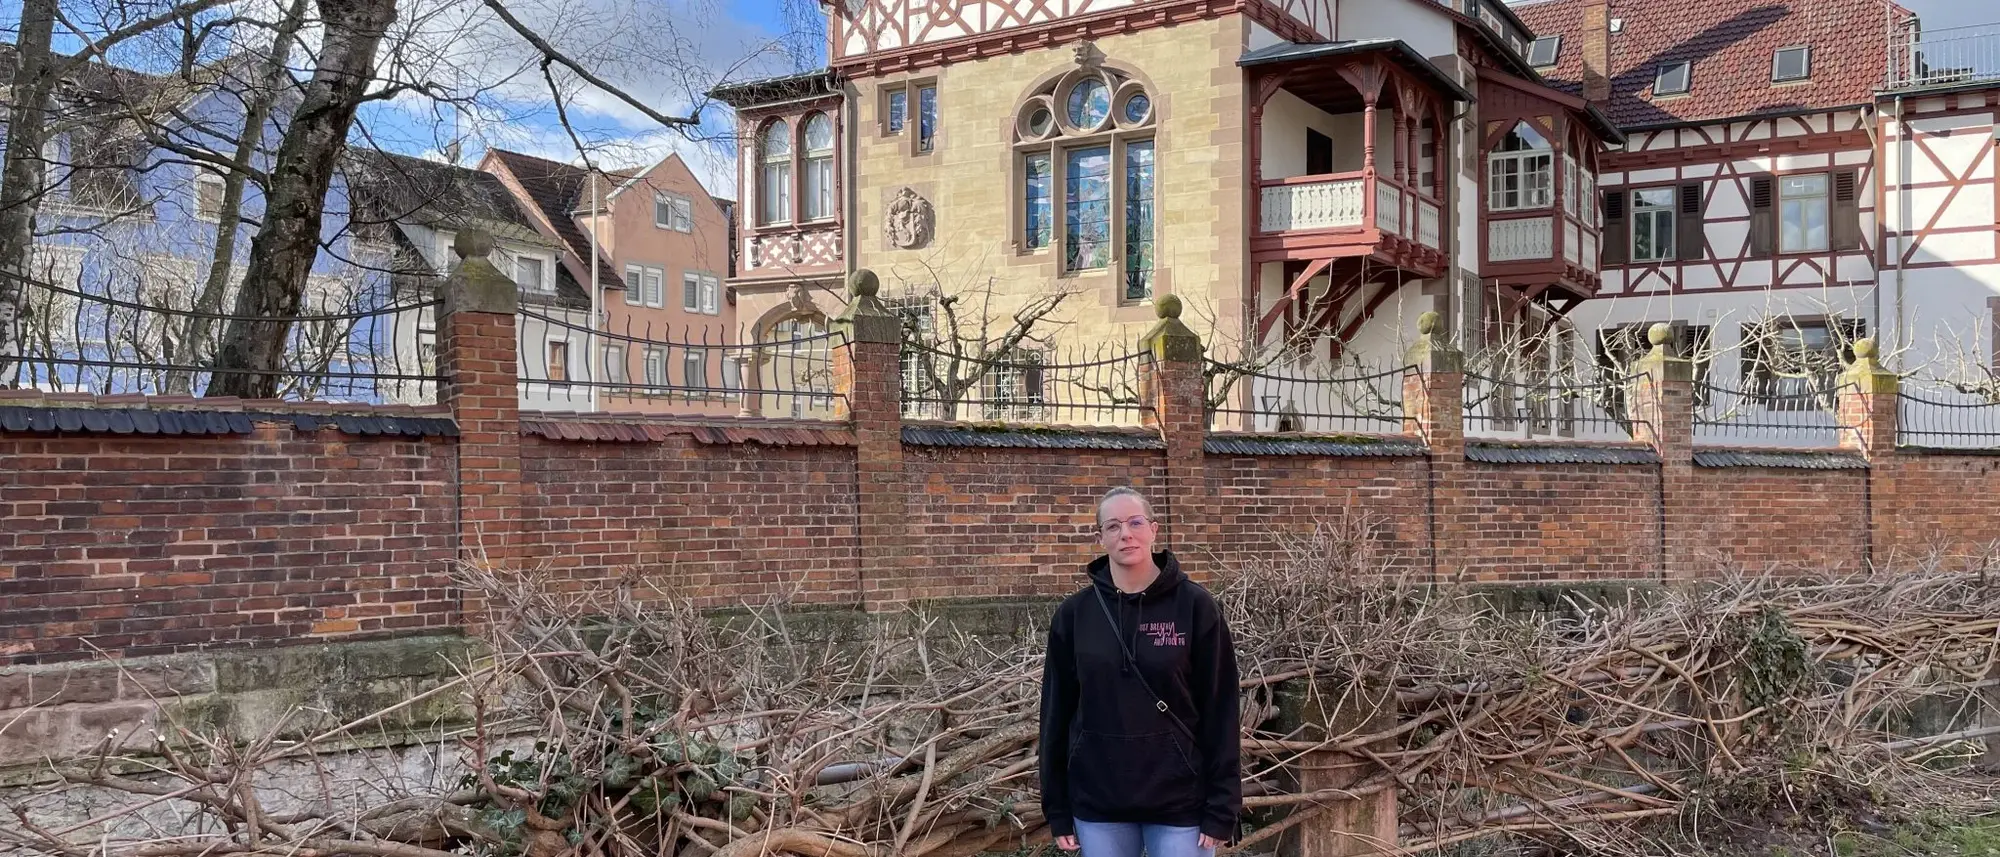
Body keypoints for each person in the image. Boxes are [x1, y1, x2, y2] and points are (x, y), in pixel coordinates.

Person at [1038, 487, 1241, 857]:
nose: (1125, 534)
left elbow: (1221, 708)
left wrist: (1222, 805)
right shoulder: (1074, 616)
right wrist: (1057, 807)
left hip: (1182, 799)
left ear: (1154, 530)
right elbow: (1056, 713)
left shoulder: (1196, 607)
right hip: (1099, 800)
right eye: (1112, 526)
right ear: (1099, 538)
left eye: (1135, 523)